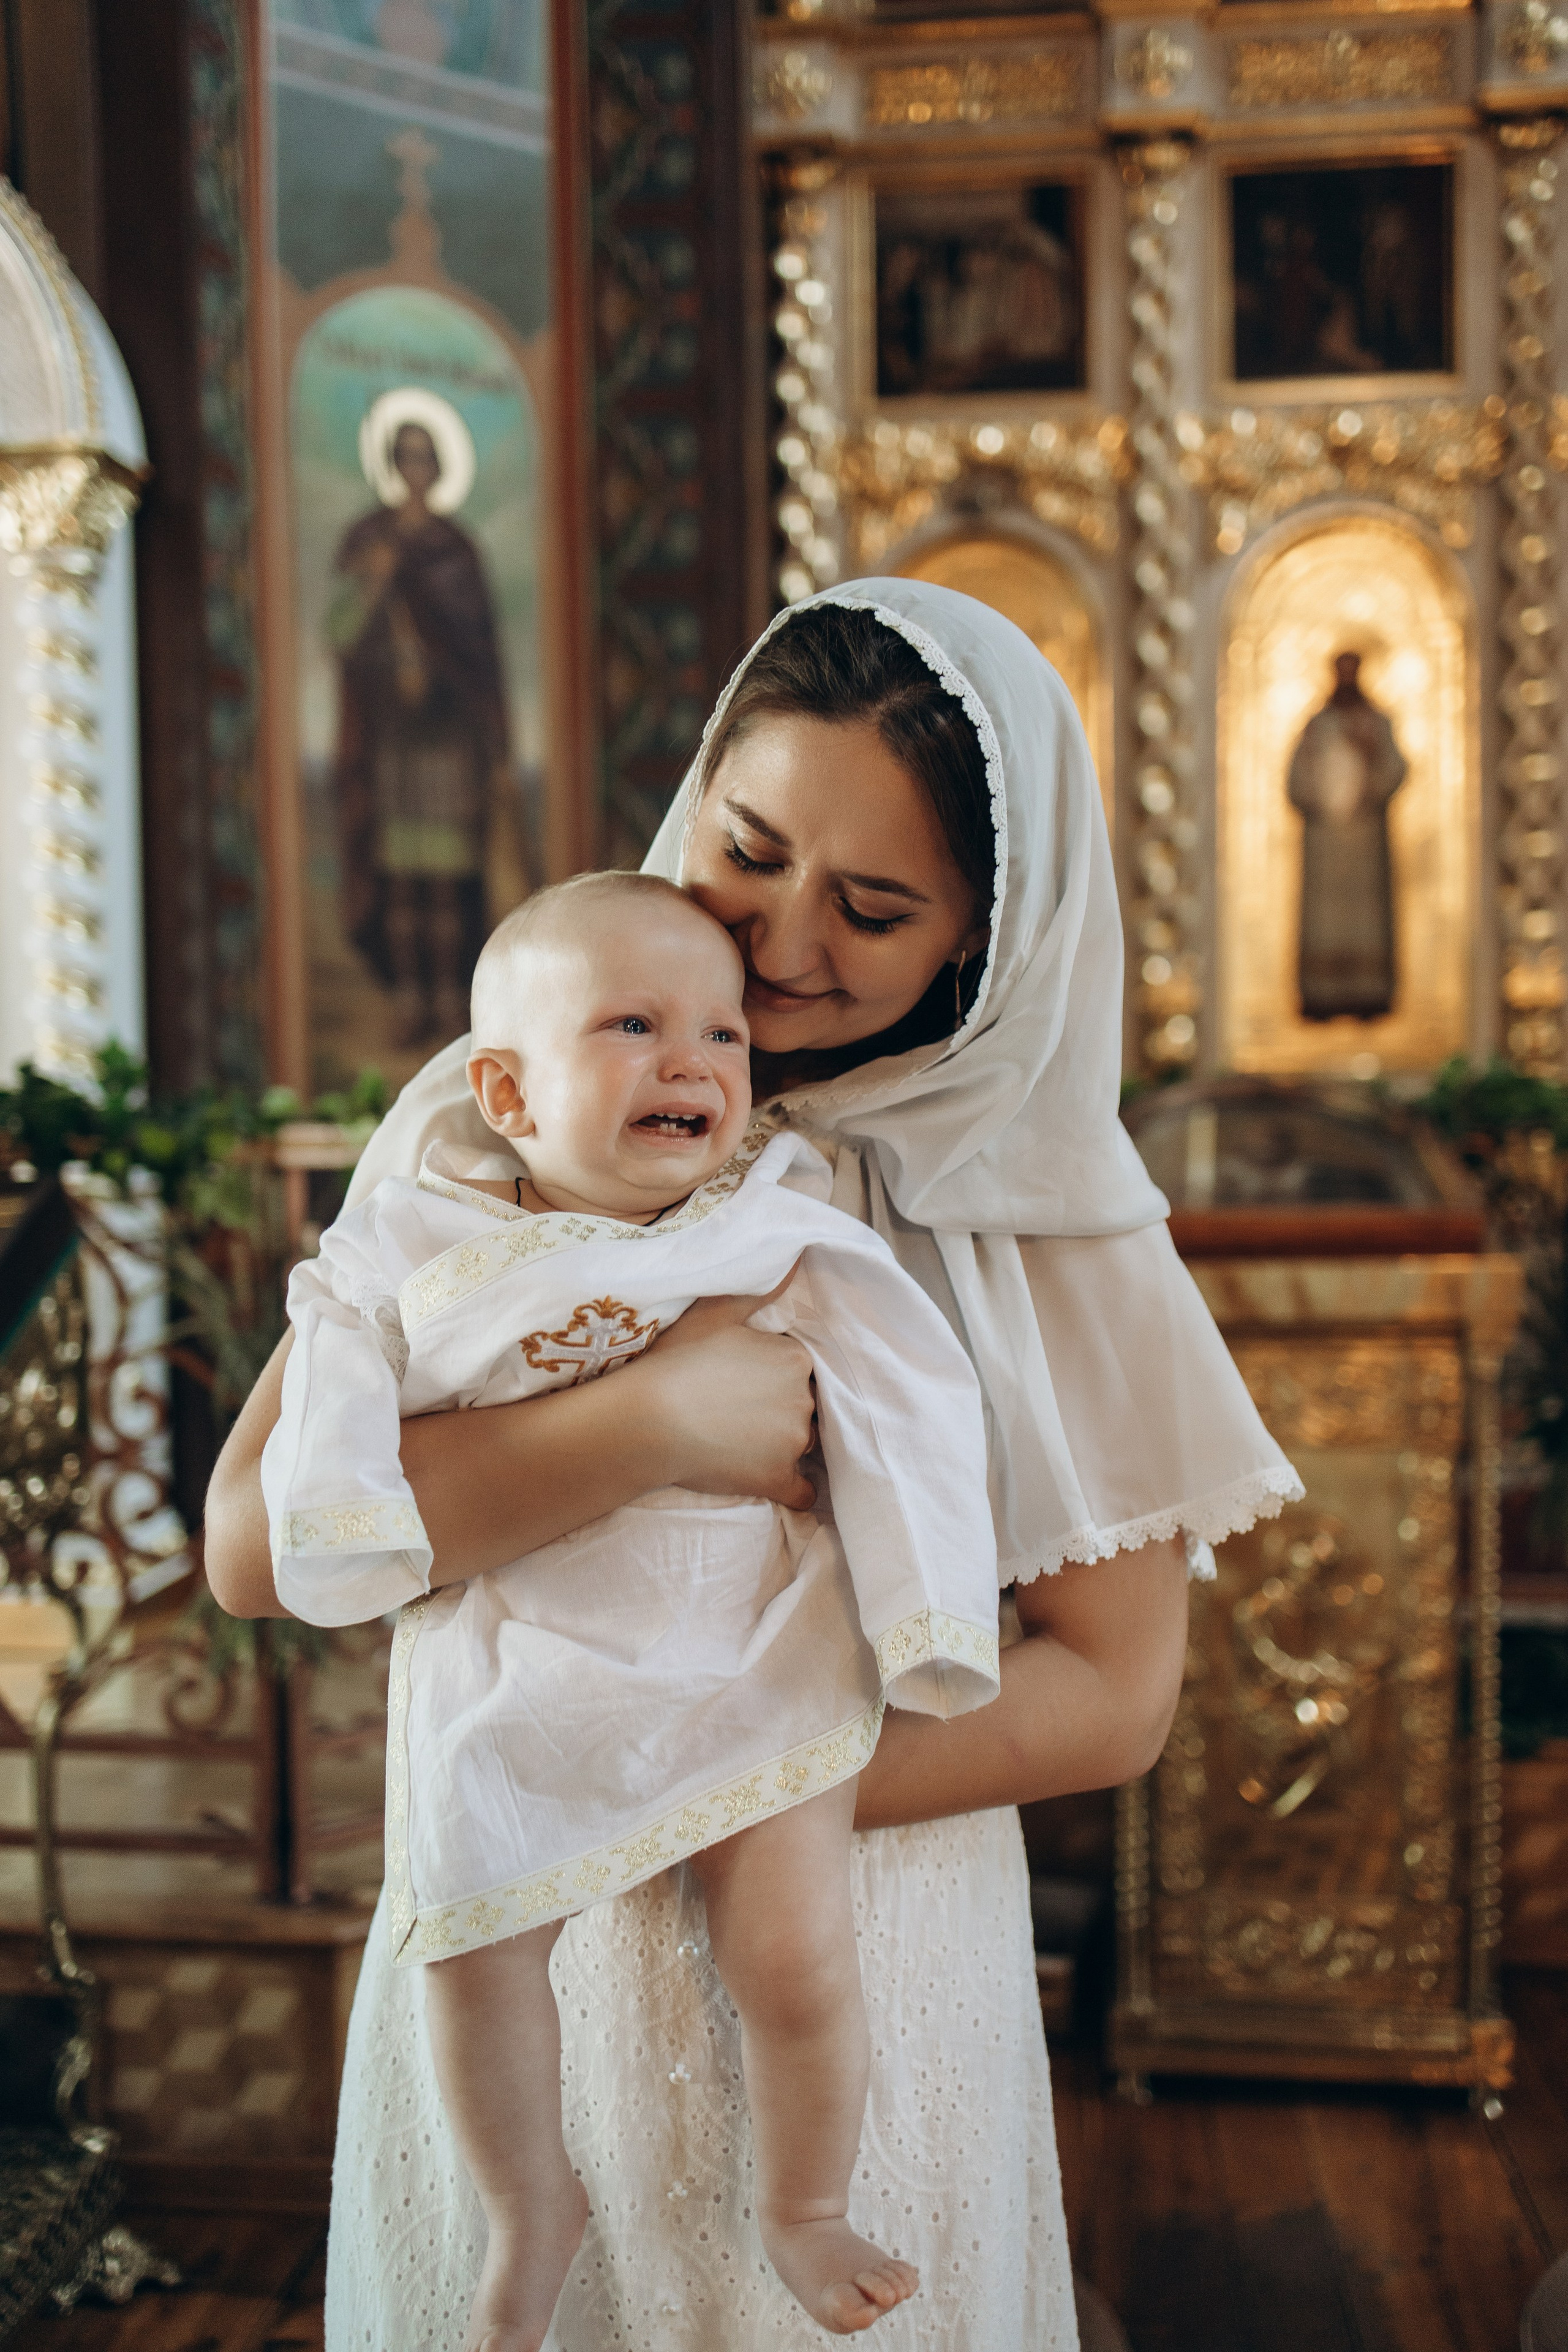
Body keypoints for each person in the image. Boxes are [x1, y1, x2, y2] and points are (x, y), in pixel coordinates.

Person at [206, 581, 1302, 2350]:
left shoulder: (1052, 1213)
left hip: (842, 1938)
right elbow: (256, 1546)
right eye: (752, 849)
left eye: (871, 909)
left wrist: (697, 1774)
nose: (783, 942)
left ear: (977, 937)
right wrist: (648, 1420)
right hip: (510, 1914)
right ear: (698, 786)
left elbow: (1112, 1696)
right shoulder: (504, 1106)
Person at [263, 871, 1000, 2346]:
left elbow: (908, 1394)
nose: (695, 1064)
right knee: (469, 1947)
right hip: (524, 1656)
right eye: (633, 1024)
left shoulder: (773, 1218)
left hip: (750, 1648)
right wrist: (344, 1524)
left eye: (722, 1037)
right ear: (507, 1091)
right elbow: (333, 1353)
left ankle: (801, 2202)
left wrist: (931, 1612)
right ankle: (531, 2203)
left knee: (792, 1952)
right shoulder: (424, 1229)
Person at [329, 417, 511, 1050]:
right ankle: (407, 999)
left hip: (448, 737)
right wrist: (376, 580)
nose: (416, 468)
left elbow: (480, 652)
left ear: (437, 467)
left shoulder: (456, 551)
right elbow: (342, 635)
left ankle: (449, 1000)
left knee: (449, 882)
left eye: (425, 456)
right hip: (394, 741)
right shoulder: (369, 542)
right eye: (405, 456)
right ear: (392, 464)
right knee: (402, 880)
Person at [1286, 650, 1408, 1022]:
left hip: (1365, 840)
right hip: (1325, 842)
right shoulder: (1315, 726)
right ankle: (1321, 999)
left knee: (1366, 917)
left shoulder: (1376, 723)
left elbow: (1397, 768)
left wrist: (1370, 765)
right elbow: (1296, 779)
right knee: (1325, 919)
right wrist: (1317, 796)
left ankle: (1370, 998)